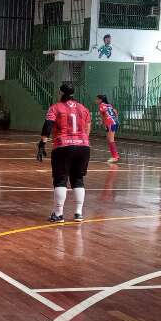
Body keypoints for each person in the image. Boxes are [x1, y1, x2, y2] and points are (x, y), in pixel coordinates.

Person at [37, 84, 91, 223]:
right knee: (78, 179)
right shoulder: (83, 108)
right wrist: (82, 141)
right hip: (83, 146)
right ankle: (78, 213)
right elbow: (87, 128)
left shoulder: (55, 108)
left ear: (60, 93)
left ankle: (58, 214)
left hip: (63, 146)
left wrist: (42, 144)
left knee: (60, 179)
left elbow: (47, 126)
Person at [96, 95, 119, 162]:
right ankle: (114, 156)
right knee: (109, 139)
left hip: (110, 123)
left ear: (100, 100)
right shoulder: (109, 105)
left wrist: (102, 122)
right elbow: (115, 111)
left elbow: (103, 115)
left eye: (97, 99)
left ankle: (115, 156)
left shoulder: (101, 106)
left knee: (111, 140)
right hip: (114, 122)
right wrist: (116, 119)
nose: (96, 101)